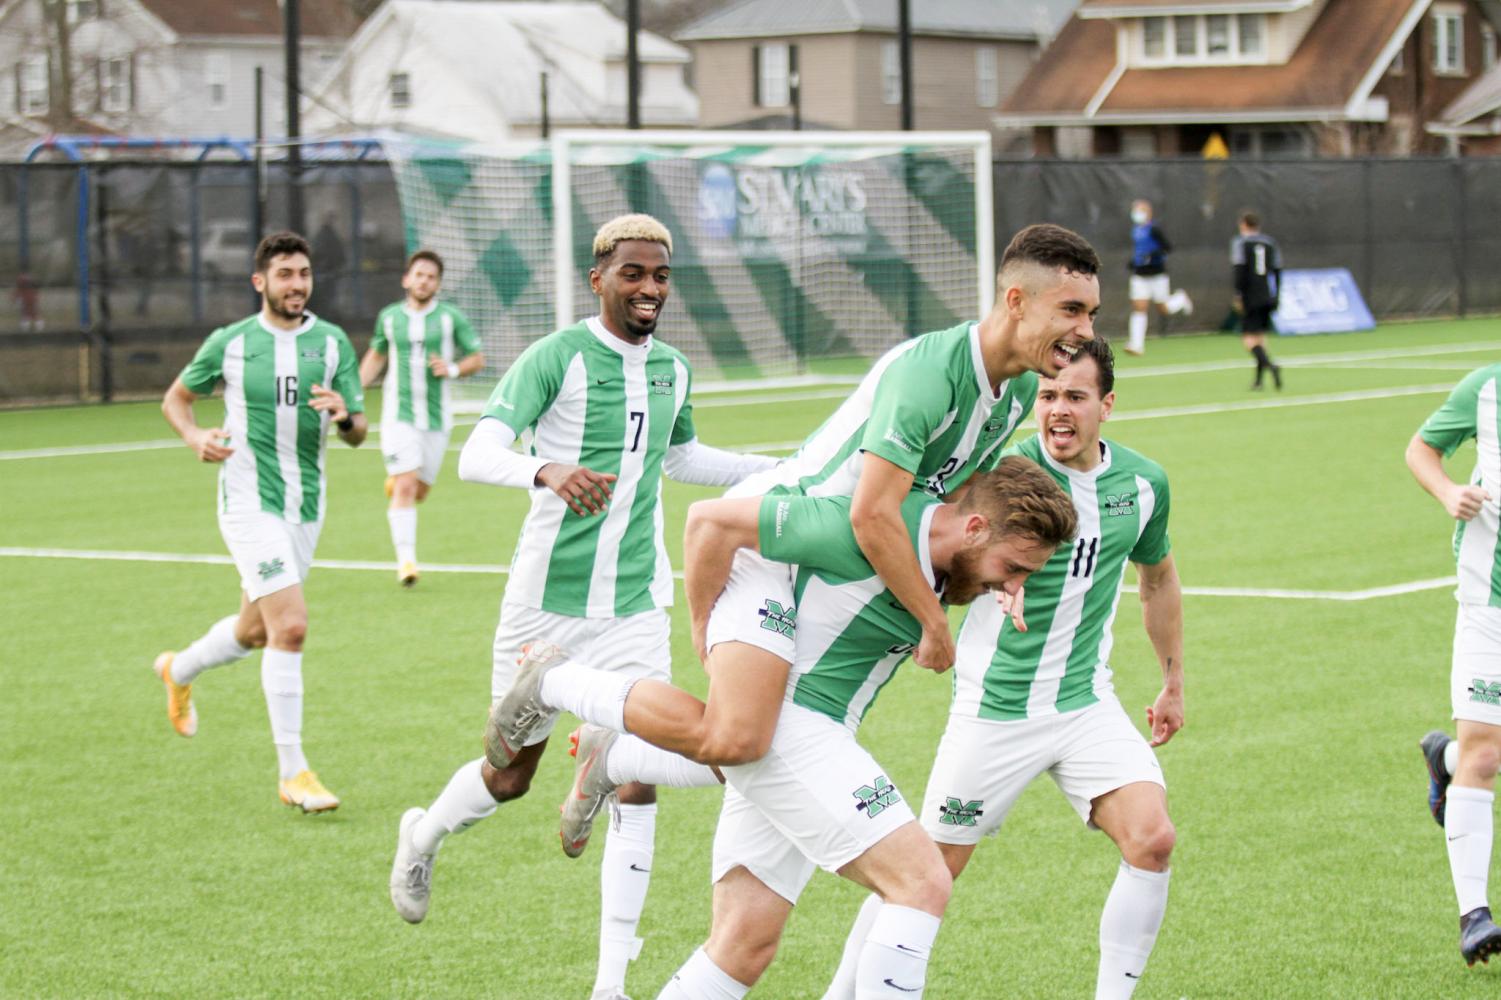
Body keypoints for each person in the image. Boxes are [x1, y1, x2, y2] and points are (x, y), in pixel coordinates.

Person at [489, 225, 1103, 830]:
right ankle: (556, 679)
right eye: (1072, 310)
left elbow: (967, 493)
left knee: (769, 751)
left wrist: (1005, 567)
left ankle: (612, 755)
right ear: (1016, 301)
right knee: (738, 736)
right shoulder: (930, 373)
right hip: (774, 542)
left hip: (829, 557)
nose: (1086, 332)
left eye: (1092, 313)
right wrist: (932, 621)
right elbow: (870, 514)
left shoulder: (1021, 391)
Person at [493, 459, 1077, 999]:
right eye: (1014, 568)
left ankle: (620, 758)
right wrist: (704, 633)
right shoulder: (866, 524)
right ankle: (558, 679)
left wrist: (996, 586)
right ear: (974, 527)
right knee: (921, 882)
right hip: (793, 725)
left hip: (808, 739)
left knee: (742, 947)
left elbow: (978, 524)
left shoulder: (952, 557)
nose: (1012, 583)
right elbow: (709, 522)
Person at [386, 214, 777, 1000]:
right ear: (597, 278)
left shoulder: (671, 367)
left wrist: (780, 466)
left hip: (634, 602)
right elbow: (476, 452)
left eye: (660, 276)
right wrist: (547, 470)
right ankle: (422, 835)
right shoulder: (555, 357)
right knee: (509, 779)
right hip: (546, 605)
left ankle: (608, 985)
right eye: (633, 274)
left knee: (640, 778)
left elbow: (679, 458)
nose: (649, 289)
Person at [823, 337, 1184, 1000]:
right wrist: (990, 582)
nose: (1057, 409)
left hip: (1084, 705)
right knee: (925, 876)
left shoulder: (1142, 483)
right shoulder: (1002, 471)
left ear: (1106, 404)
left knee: (1151, 838)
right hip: (993, 713)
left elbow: (1157, 581)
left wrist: (1171, 680)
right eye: (1047, 395)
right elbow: (945, 546)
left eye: (1075, 396)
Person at [152, 231, 368, 813]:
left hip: (306, 507)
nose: (296, 284)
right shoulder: (231, 343)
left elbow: (358, 433)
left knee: (255, 630)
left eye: (304, 274)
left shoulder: (332, 343)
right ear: (260, 282)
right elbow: (177, 399)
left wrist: (345, 417)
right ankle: (293, 772)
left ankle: (178, 668)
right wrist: (195, 435)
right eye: (285, 275)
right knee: (291, 626)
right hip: (248, 502)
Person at [1406, 362, 1501, 966]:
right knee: (1488, 751)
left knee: (1479, 752)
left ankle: (1445, 761)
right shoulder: (1485, 388)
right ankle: (1476, 916)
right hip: (1488, 597)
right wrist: (1449, 493)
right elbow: (1421, 449)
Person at [358, 250, 484, 585]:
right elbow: (375, 356)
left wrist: (453, 368)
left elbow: (476, 358)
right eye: (419, 274)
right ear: (406, 279)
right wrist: (355, 394)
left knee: (419, 490)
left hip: (437, 417)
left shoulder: (449, 318)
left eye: (431, 276)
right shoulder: (389, 318)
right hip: (398, 415)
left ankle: (399, 481)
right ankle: (407, 562)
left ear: (438, 284)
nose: (424, 280)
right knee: (406, 484)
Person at [1124, 199, 1191, 357]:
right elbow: (1139, 250)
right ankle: (1137, 344)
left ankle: (1180, 298)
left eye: (1140, 210)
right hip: (1140, 276)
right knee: (1139, 307)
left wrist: (1153, 256)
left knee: (1163, 308)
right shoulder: (1135, 230)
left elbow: (1168, 248)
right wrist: (1134, 262)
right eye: (1135, 210)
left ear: (1148, 212)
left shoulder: (1155, 229)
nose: (1137, 213)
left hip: (1157, 275)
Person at [1231, 211, 1283, 391]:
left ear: (1244, 224)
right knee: (1260, 337)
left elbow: (1240, 270)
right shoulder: (1270, 243)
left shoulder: (1240, 243)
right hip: (1267, 294)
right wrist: (1277, 294)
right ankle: (1259, 382)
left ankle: (1271, 365)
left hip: (1250, 296)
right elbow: (1277, 270)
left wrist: (1238, 294)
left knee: (1249, 340)